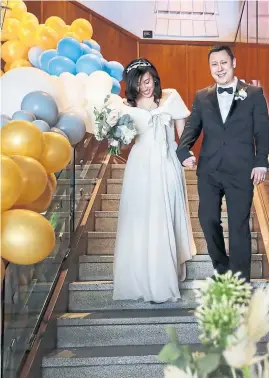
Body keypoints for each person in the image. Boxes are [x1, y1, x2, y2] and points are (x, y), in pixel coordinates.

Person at [176, 45, 269, 282]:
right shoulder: (202, 96)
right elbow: (191, 128)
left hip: (241, 170)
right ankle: (221, 268)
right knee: (207, 219)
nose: (219, 68)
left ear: (233, 62)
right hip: (209, 169)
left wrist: (261, 162)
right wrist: (183, 150)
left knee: (238, 225)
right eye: (214, 64)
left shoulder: (254, 94)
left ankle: (239, 283)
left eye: (223, 63)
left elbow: (262, 131)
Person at [112, 58, 196, 304]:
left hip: (167, 162)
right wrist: (116, 136)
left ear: (154, 78)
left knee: (164, 214)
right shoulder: (125, 107)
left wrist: (187, 155)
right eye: (139, 84)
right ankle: (141, 276)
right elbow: (124, 142)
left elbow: (184, 135)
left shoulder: (171, 98)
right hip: (139, 167)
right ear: (131, 86)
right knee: (141, 218)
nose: (145, 88)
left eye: (148, 81)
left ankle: (165, 275)